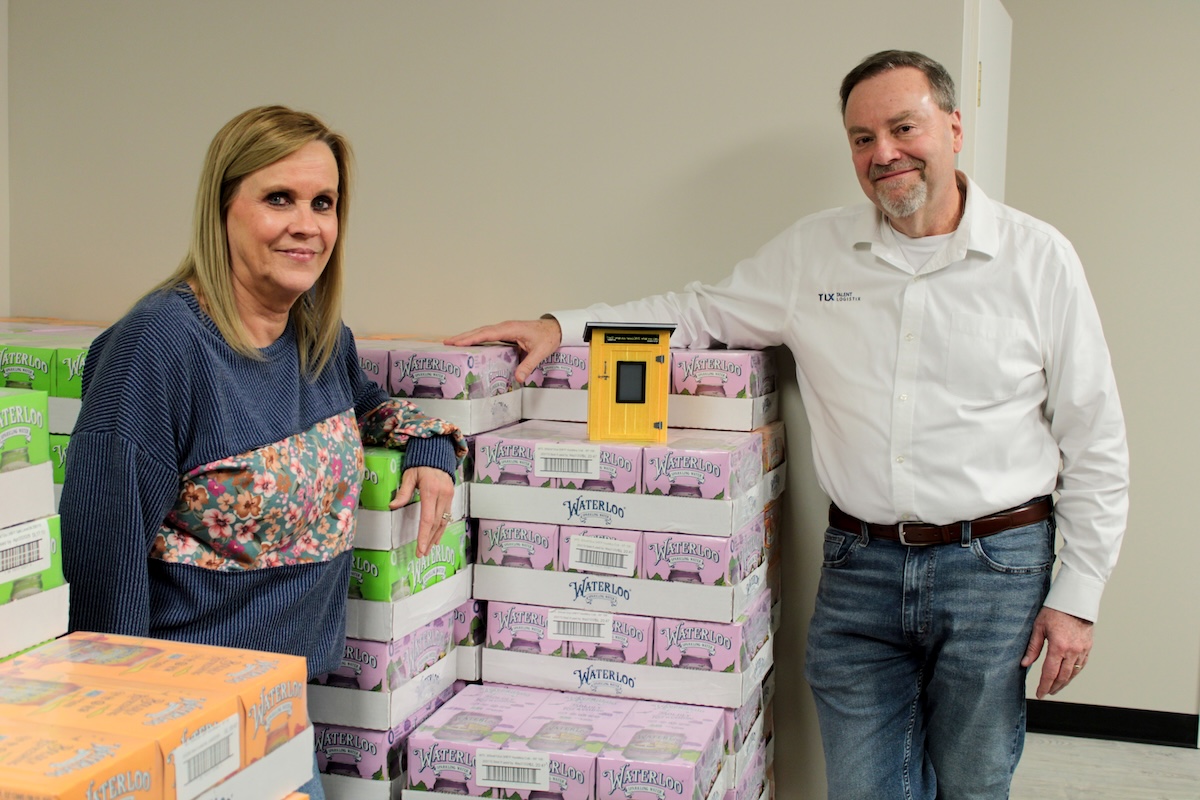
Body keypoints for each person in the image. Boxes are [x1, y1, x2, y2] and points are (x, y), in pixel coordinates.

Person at [447, 50, 1129, 799]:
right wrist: (559, 324)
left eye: (903, 127)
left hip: (997, 569)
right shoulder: (814, 253)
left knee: (973, 784)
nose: (883, 154)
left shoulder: (1038, 259)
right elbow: (697, 313)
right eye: (862, 138)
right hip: (860, 570)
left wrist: (1078, 596)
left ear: (955, 127)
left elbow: (1094, 438)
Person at [60, 105, 465, 799]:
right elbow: (103, 559)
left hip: (279, 716)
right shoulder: (160, 345)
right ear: (223, 209)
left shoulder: (317, 337)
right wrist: (126, 756)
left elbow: (365, 403)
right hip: (182, 731)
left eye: (324, 202)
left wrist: (428, 443)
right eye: (279, 198)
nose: (307, 224)